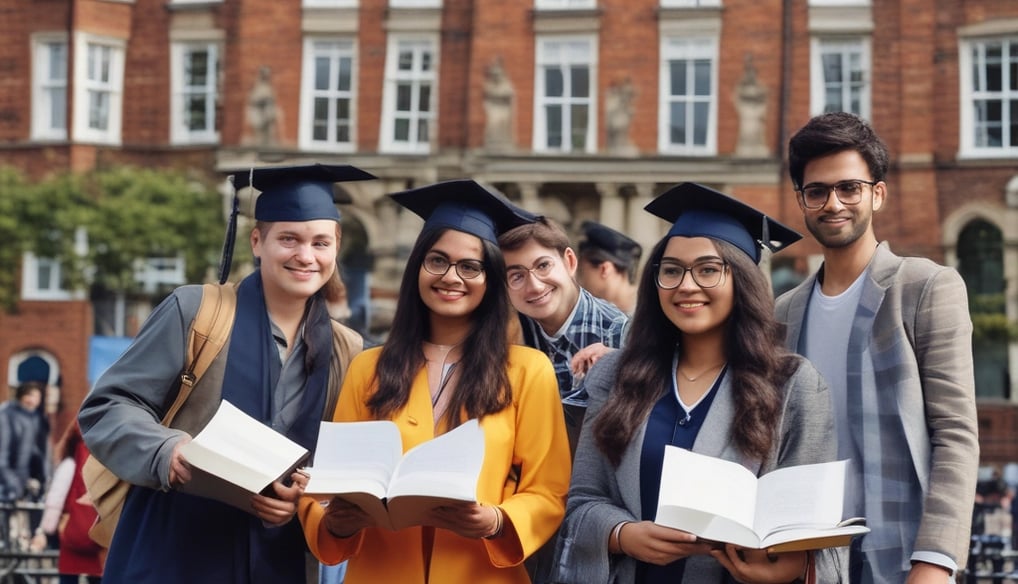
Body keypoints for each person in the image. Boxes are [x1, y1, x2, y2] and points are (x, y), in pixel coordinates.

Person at [78, 163, 374, 584]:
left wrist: (304, 501)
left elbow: (341, 463)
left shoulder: (349, 350)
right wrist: (165, 450)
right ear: (257, 240)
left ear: (335, 247)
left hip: (281, 559)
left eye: (320, 242)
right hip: (175, 552)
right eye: (288, 238)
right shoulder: (198, 312)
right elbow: (108, 405)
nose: (305, 255)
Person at [554, 182, 844, 583]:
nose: (686, 285)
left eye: (708, 270)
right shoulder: (617, 376)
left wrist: (784, 566)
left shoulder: (791, 385)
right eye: (671, 271)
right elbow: (583, 502)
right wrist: (622, 534)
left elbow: (815, 535)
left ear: (741, 280)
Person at [299, 179, 571, 583]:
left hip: (479, 573)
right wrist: (335, 520)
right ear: (418, 268)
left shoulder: (527, 371)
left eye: (470, 266)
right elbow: (329, 486)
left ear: (490, 278)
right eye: (437, 261)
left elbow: (549, 491)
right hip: (380, 571)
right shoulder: (368, 368)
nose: (451, 277)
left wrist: (496, 520)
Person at [776, 111, 979, 584]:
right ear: (801, 201)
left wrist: (935, 560)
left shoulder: (926, 286)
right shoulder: (783, 311)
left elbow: (955, 432)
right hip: (809, 554)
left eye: (850, 188)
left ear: (878, 193)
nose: (833, 203)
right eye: (817, 191)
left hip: (902, 552)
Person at [498, 217, 629, 454]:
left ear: (569, 261)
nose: (535, 286)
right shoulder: (507, 334)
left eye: (543, 266)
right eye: (516, 276)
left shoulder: (619, 335)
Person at [32, 422, 103, 584]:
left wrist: (44, 531)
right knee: (98, 578)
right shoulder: (105, 465)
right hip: (99, 536)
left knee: (68, 577)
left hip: (70, 534)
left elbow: (55, 501)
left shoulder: (69, 465)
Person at [576, 220, 642, 315]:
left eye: (581, 272)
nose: (579, 282)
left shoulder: (649, 311)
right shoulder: (599, 311)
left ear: (605, 269)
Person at [0, 381, 50, 504]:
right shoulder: (6, 416)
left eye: (38, 397)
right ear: (22, 396)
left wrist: (42, 477)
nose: (35, 401)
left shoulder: (35, 418)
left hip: (23, 481)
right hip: (7, 482)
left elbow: (34, 451)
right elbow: (3, 454)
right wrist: (12, 482)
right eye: (32, 396)